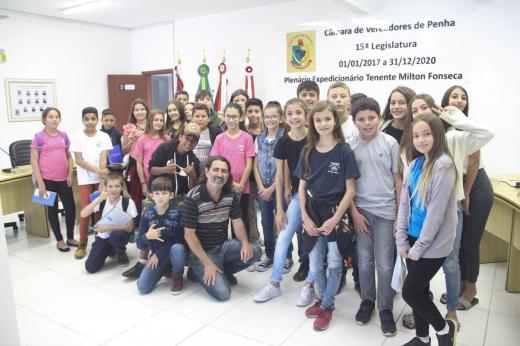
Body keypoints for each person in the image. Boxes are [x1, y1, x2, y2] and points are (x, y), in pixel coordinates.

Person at [407, 94, 494, 328]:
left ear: (436, 112)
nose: (420, 113)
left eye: (425, 107)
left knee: (451, 263)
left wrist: (454, 116)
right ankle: (421, 313)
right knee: (417, 275)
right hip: (419, 218)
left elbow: (486, 134)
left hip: (446, 214)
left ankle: (452, 310)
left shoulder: (453, 139)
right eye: (415, 110)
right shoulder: (414, 147)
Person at [295, 101, 359, 331]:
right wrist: (305, 217)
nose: (323, 124)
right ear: (312, 123)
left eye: (327, 119)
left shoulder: (344, 151)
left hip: (335, 213)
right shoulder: (307, 151)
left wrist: (335, 220)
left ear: (335, 121)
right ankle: (321, 299)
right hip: (312, 212)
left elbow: (350, 189)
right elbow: (301, 188)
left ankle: (328, 305)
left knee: (334, 262)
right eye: (318, 120)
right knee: (314, 261)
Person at [397, 113, 458, 346]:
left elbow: (435, 214)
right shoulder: (414, 164)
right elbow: (404, 204)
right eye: (416, 136)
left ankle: (444, 330)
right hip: (412, 239)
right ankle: (422, 339)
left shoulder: (443, 164)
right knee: (420, 291)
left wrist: (418, 247)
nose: (421, 140)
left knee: (410, 292)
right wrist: (402, 240)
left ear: (438, 135)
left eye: (427, 134)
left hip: (432, 244)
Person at [254, 98, 315, 307]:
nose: (294, 117)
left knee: (313, 242)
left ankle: (310, 284)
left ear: (306, 115)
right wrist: (280, 208)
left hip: (318, 198)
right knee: (283, 237)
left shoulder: (315, 137)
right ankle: (274, 282)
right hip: (297, 197)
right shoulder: (283, 141)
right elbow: (280, 176)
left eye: (298, 113)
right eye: (290, 113)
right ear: (285, 117)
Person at [349, 98, 402, 336]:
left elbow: (398, 181)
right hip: (361, 212)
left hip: (387, 213)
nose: (367, 123)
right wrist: (354, 214)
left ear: (380, 118)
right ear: (354, 121)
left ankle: (385, 308)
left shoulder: (390, 143)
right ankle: (367, 301)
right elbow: (347, 184)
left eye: (371, 118)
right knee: (364, 260)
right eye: (361, 119)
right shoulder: (349, 146)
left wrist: (400, 216)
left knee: (384, 262)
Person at [122, 123, 200, 279]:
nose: (189, 142)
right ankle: (142, 262)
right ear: (181, 136)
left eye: (193, 140)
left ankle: (168, 260)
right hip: (157, 194)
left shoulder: (193, 159)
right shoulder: (165, 148)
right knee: (149, 225)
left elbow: (193, 186)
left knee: (175, 229)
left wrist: (192, 175)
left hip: (178, 199)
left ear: (197, 142)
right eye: (187, 138)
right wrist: (166, 170)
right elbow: (151, 169)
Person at [441, 85, 494, 312]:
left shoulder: (471, 127)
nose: (459, 100)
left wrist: (466, 194)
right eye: (454, 96)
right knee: (459, 241)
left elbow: (472, 163)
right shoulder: (442, 126)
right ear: (446, 100)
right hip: (457, 183)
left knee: (470, 242)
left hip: (475, 186)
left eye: (463, 97)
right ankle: (460, 283)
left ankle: (471, 289)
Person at [182, 156, 262, 301]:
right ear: (206, 172)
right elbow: (189, 235)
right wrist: (207, 264)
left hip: (222, 246)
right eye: (216, 170)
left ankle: (219, 271)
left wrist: (244, 244)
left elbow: (237, 222)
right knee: (223, 293)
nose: (220, 174)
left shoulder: (230, 195)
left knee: (255, 251)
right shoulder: (193, 197)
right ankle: (197, 270)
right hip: (201, 253)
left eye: (224, 171)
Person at [30, 107, 77, 252]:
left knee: (70, 208)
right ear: (44, 120)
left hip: (64, 179)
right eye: (51, 116)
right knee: (52, 209)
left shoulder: (64, 136)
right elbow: (33, 161)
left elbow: (69, 156)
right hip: (47, 180)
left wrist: (70, 174)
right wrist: (41, 183)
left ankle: (70, 236)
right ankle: (59, 239)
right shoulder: (38, 137)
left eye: (57, 116)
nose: (54, 119)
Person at [69, 107, 113, 259]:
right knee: (86, 210)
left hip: (100, 178)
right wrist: (98, 171)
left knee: (101, 209)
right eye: (86, 119)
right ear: (82, 120)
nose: (90, 122)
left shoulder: (104, 136)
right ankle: (82, 242)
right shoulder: (76, 137)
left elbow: (104, 158)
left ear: (97, 120)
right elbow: (79, 161)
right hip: (85, 180)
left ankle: (100, 240)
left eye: (93, 119)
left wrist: (102, 179)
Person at [210, 103, 255, 240]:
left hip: (243, 188)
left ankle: (243, 247)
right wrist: (231, 184)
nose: (231, 120)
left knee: (241, 217)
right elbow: (215, 164)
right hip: (223, 186)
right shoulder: (220, 138)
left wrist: (240, 186)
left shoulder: (247, 137)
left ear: (241, 118)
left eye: (234, 117)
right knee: (223, 219)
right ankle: (224, 248)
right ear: (224, 117)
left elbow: (249, 164)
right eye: (228, 116)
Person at [137, 177, 186, 295]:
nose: (160, 196)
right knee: (142, 288)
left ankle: (177, 275)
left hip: (174, 253)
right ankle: (166, 269)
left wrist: (158, 255)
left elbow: (181, 240)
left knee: (178, 248)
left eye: (164, 193)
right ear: (151, 196)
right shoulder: (147, 215)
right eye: (157, 193)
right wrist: (147, 237)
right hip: (157, 256)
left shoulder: (178, 213)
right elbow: (139, 244)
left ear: (171, 195)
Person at [81, 172, 137, 273]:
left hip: (120, 234)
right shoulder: (102, 200)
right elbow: (83, 214)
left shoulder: (128, 202)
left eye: (117, 186)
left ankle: (121, 253)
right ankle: (110, 249)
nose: (113, 189)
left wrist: (108, 228)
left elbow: (130, 228)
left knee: (116, 235)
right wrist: (97, 201)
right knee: (90, 267)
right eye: (110, 186)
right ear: (105, 188)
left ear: (121, 187)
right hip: (103, 235)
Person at [253, 101, 285, 271]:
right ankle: (271, 255)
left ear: (280, 118)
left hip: (279, 187)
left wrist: (272, 188)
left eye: (274, 116)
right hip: (262, 188)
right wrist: (261, 187)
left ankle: (286, 256)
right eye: (267, 116)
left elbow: (285, 167)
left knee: (282, 222)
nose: (270, 119)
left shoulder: (285, 137)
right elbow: (255, 165)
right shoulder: (259, 138)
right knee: (265, 222)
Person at [121, 99, 149, 228]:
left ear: (147, 110)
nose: (140, 112)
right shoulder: (129, 127)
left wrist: (143, 134)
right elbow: (124, 150)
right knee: (135, 197)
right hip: (134, 162)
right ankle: (135, 226)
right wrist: (131, 140)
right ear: (133, 112)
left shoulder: (152, 125)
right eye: (136, 110)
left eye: (142, 109)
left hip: (150, 161)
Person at [134, 109, 170, 197]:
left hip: (165, 179)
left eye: (161, 120)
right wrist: (143, 183)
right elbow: (139, 163)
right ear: (150, 121)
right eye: (156, 120)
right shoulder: (142, 139)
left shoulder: (167, 139)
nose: (159, 122)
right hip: (149, 180)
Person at [244, 98, 263, 250]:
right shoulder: (243, 132)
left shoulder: (267, 130)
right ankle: (255, 241)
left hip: (266, 179)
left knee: (268, 212)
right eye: (250, 111)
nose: (253, 114)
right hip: (248, 178)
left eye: (256, 111)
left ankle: (273, 239)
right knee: (250, 212)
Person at [190, 103, 222, 175]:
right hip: (191, 172)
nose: (200, 119)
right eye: (197, 116)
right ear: (192, 118)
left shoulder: (217, 132)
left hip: (210, 172)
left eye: (203, 116)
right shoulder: (186, 132)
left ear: (209, 118)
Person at [100, 108, 124, 174]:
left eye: (111, 120)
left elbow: (123, 151)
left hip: (116, 170)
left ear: (115, 121)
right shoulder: (98, 135)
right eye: (106, 120)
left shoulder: (118, 134)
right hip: (102, 170)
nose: (109, 123)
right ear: (101, 120)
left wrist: (121, 165)